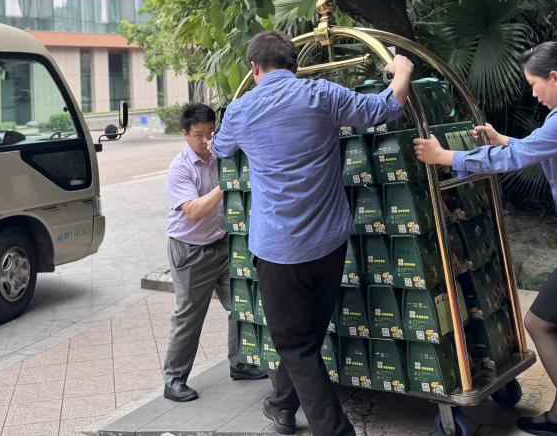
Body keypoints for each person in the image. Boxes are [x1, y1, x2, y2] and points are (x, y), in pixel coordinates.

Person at [413, 42, 557, 436]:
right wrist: (502, 139)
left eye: (534, 84)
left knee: (538, 323)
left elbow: (518, 159)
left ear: (554, 78)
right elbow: (534, 148)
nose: (534, 93)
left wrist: (446, 157)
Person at [212, 31, 413, 436]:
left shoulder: (240, 110)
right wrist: (403, 69)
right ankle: (282, 405)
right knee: (308, 337)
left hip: (279, 251)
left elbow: (220, 149)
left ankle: (336, 431)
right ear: (295, 65)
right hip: (329, 244)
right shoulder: (322, 95)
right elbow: (386, 107)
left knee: (295, 345)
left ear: (254, 68)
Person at [163, 103, 268, 403]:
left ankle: (240, 364)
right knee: (189, 316)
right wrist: (225, 184)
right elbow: (194, 211)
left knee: (240, 305)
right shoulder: (180, 168)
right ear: (185, 134)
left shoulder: (220, 155)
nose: (207, 140)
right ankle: (173, 381)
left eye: (211, 132)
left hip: (222, 245)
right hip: (189, 250)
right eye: (199, 134)